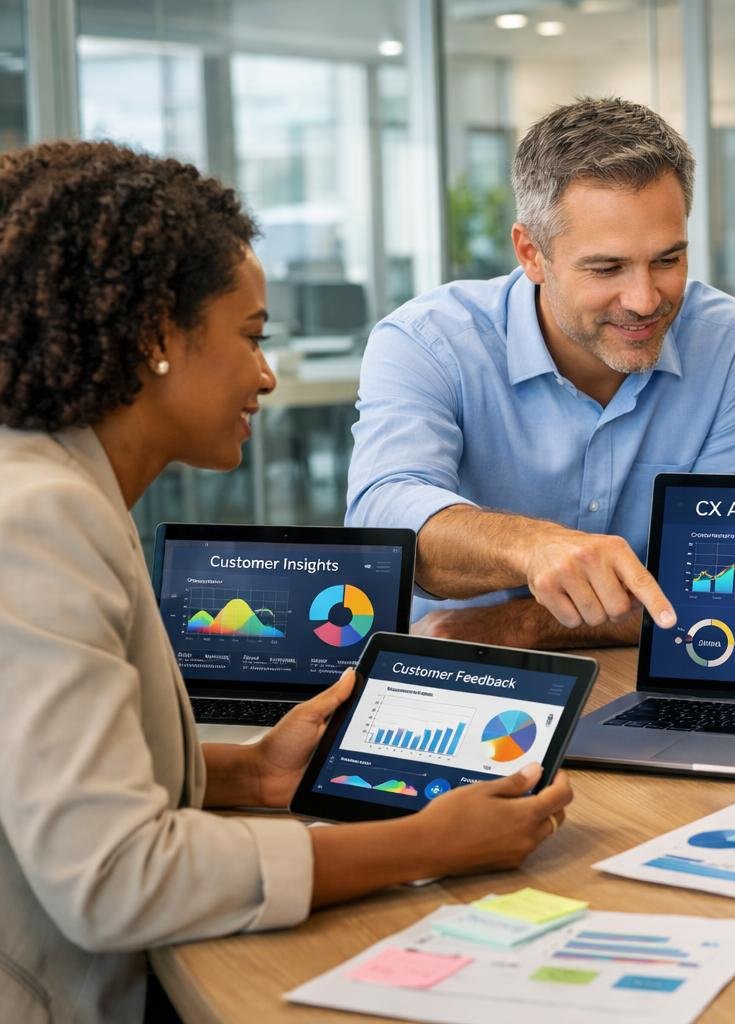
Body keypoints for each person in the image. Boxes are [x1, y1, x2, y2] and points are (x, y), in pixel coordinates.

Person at [0, 141, 573, 1024]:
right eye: (251, 337)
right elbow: (116, 878)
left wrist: (253, 776)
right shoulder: (37, 520)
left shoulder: (54, 487)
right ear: (155, 335)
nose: (266, 374)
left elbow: (50, 780)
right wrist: (424, 844)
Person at [347, 97, 735, 649]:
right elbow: (384, 525)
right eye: (607, 268)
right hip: (453, 671)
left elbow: (728, 585)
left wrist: (521, 624)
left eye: (667, 260)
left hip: (630, 668)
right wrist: (532, 546)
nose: (645, 300)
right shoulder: (428, 342)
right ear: (531, 253)